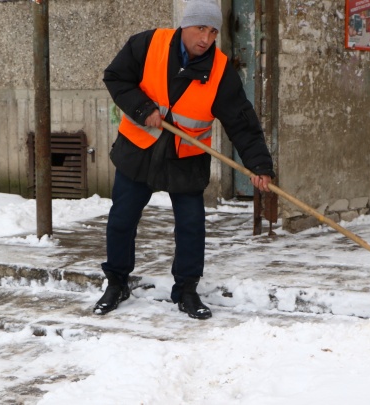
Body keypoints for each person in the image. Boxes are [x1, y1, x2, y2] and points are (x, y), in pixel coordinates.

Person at [95, 0, 275, 319]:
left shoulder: (220, 71)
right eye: (200, 29)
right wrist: (142, 109)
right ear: (184, 26)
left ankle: (187, 290)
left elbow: (242, 122)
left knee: (191, 226)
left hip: (186, 158)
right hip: (139, 151)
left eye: (212, 31)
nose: (205, 38)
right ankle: (117, 282)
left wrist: (258, 165)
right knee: (122, 219)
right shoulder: (148, 44)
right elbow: (116, 77)